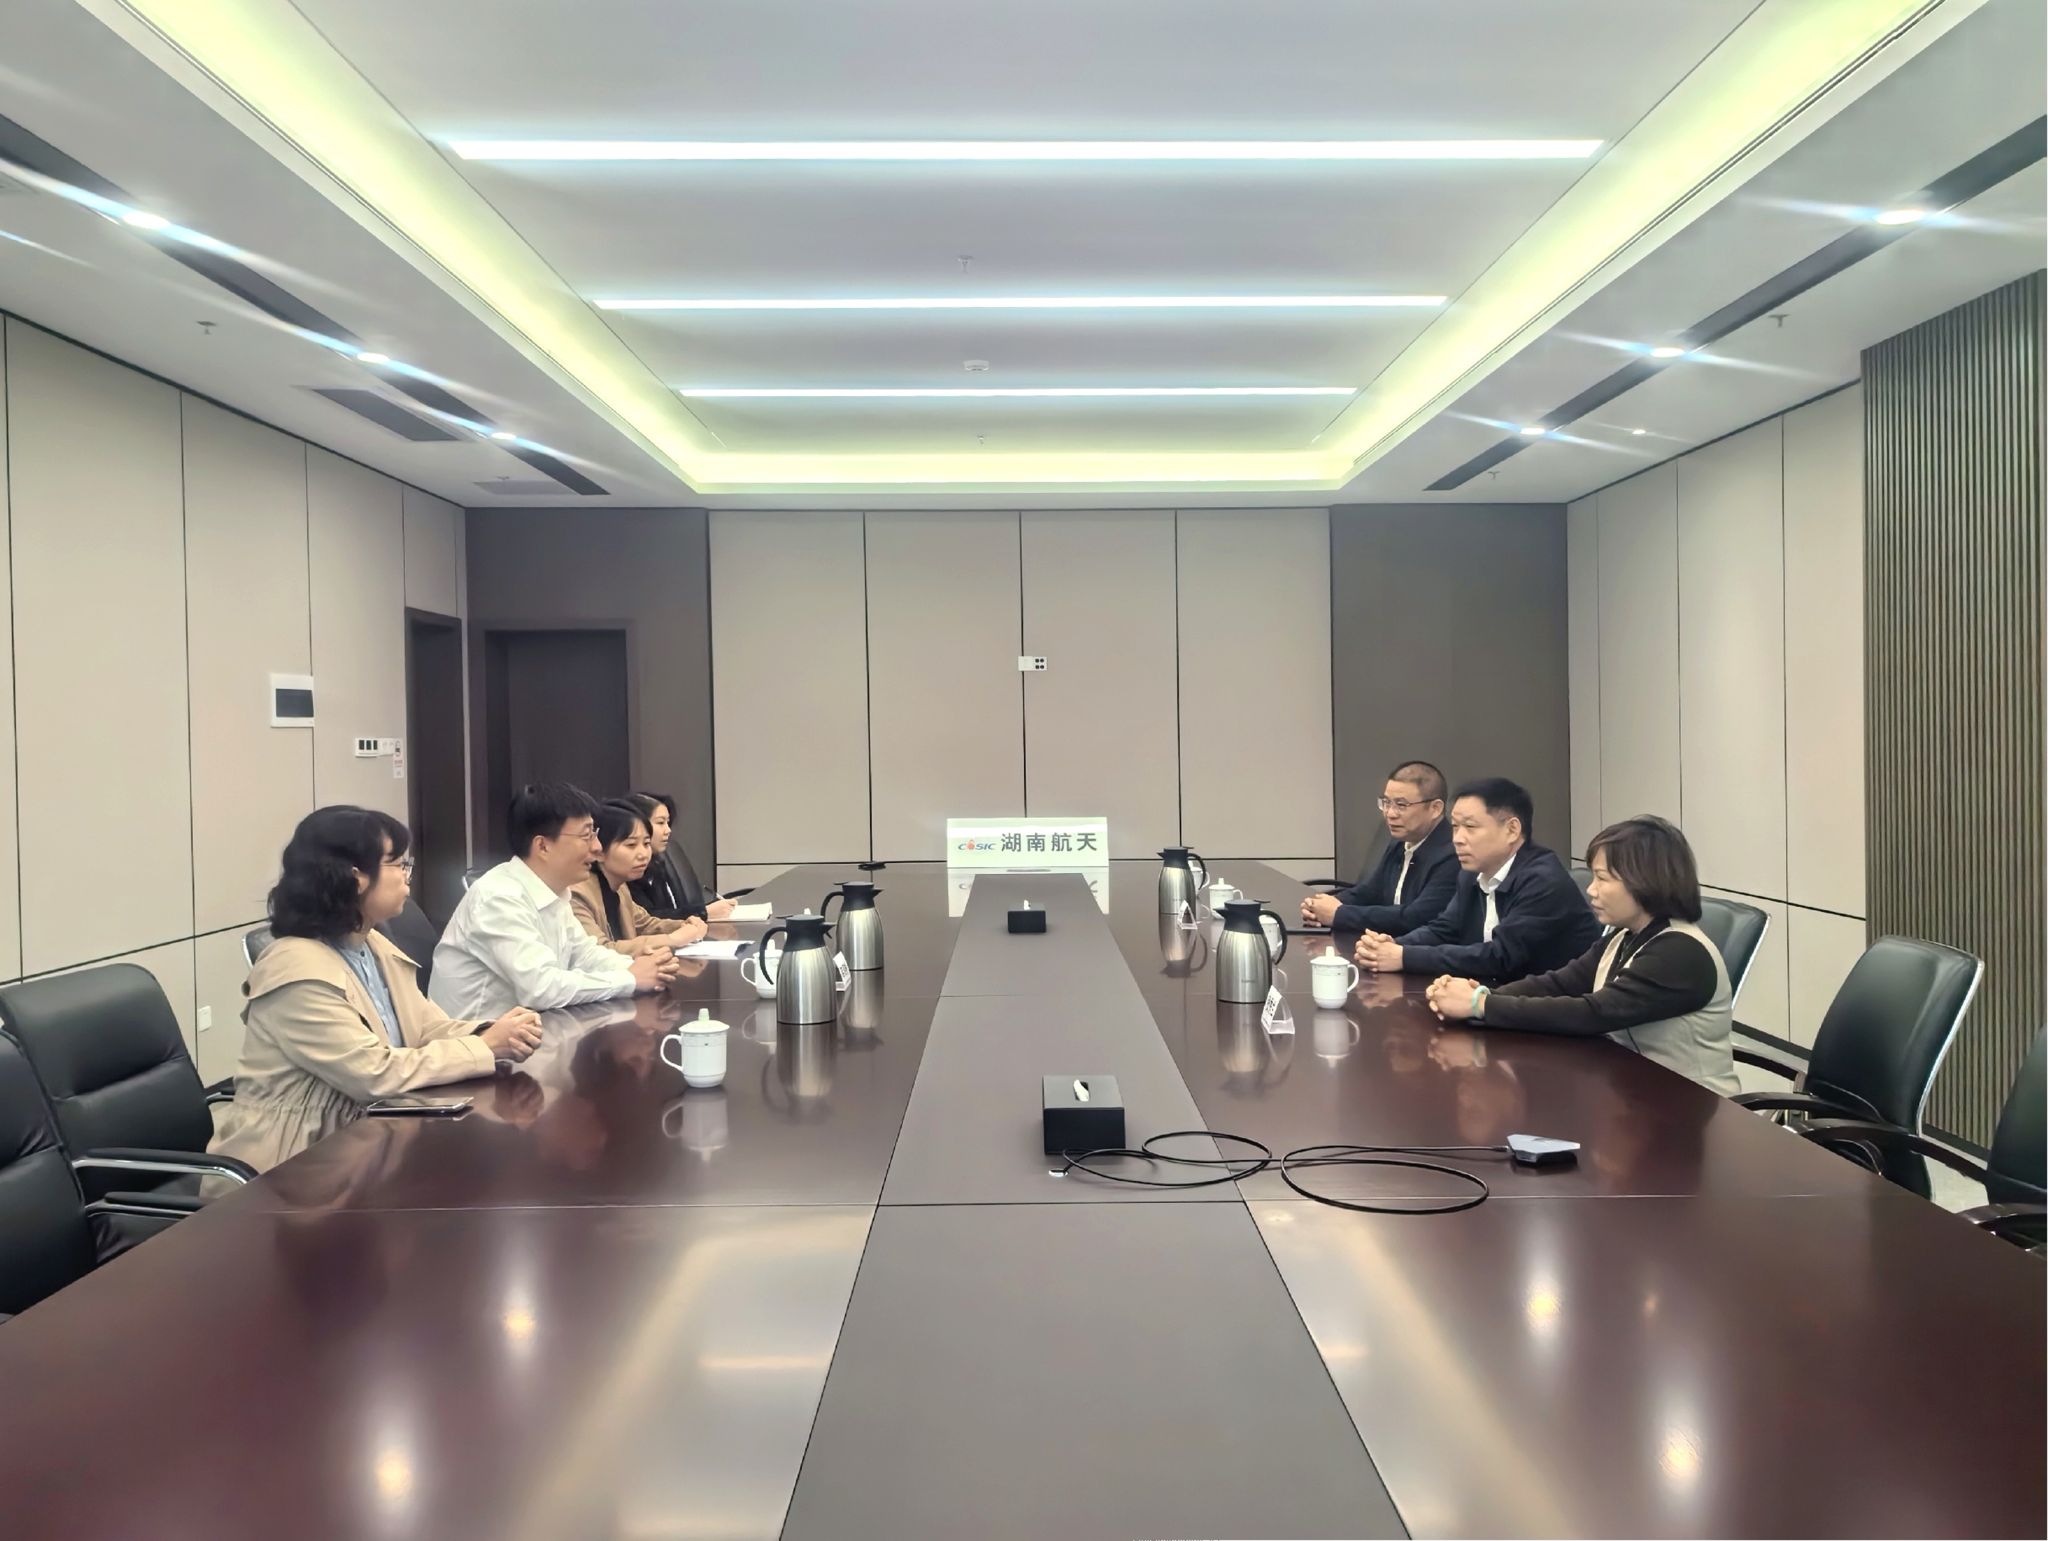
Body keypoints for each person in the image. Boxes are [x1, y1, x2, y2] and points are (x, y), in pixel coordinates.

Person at [210, 806, 545, 1172]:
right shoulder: (295, 969)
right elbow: (373, 1073)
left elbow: (425, 1028)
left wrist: (494, 1032)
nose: (407, 877)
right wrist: (484, 1046)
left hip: (364, 1142)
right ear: (355, 878)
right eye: (398, 865)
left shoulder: (372, 945)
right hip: (292, 1166)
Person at [1427, 815, 1738, 1094]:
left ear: (1644, 882)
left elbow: (1593, 1013)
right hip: (1633, 1092)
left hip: (1691, 1108)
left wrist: (1480, 1005)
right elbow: (1559, 984)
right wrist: (1481, 996)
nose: (1591, 889)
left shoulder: (1679, 952)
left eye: (1603, 878)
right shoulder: (1625, 937)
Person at [431, 783, 681, 1019]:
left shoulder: (555, 892)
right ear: (543, 846)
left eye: (595, 834)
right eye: (586, 836)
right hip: (479, 1042)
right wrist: (630, 979)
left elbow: (585, 956)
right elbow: (541, 988)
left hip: (533, 1031)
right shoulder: (499, 897)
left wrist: (640, 967)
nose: (597, 847)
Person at [1354, 777, 1599, 983]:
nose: (1458, 839)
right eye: (1455, 827)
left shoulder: (1543, 881)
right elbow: (1445, 930)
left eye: (1470, 827)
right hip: (1497, 999)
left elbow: (1500, 957)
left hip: (1548, 1012)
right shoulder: (1472, 872)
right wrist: (1393, 945)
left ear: (1512, 830)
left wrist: (1404, 957)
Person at [1300, 760, 1458, 932]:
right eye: (1386, 802)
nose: (1390, 813)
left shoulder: (1453, 853)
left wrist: (1339, 914)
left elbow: (1416, 918)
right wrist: (1321, 906)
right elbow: (1368, 893)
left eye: (1401, 805)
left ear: (1435, 808)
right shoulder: (1400, 842)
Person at [571, 800, 710, 954]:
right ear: (599, 850)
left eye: (646, 844)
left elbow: (646, 925)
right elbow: (600, 951)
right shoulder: (577, 894)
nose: (643, 854)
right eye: (631, 845)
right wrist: (673, 939)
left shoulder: (620, 887)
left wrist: (684, 925)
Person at [627, 790, 735, 922]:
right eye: (660, 823)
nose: (668, 830)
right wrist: (703, 913)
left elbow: (663, 913)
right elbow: (647, 920)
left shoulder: (655, 863)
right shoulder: (627, 872)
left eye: (668, 823)